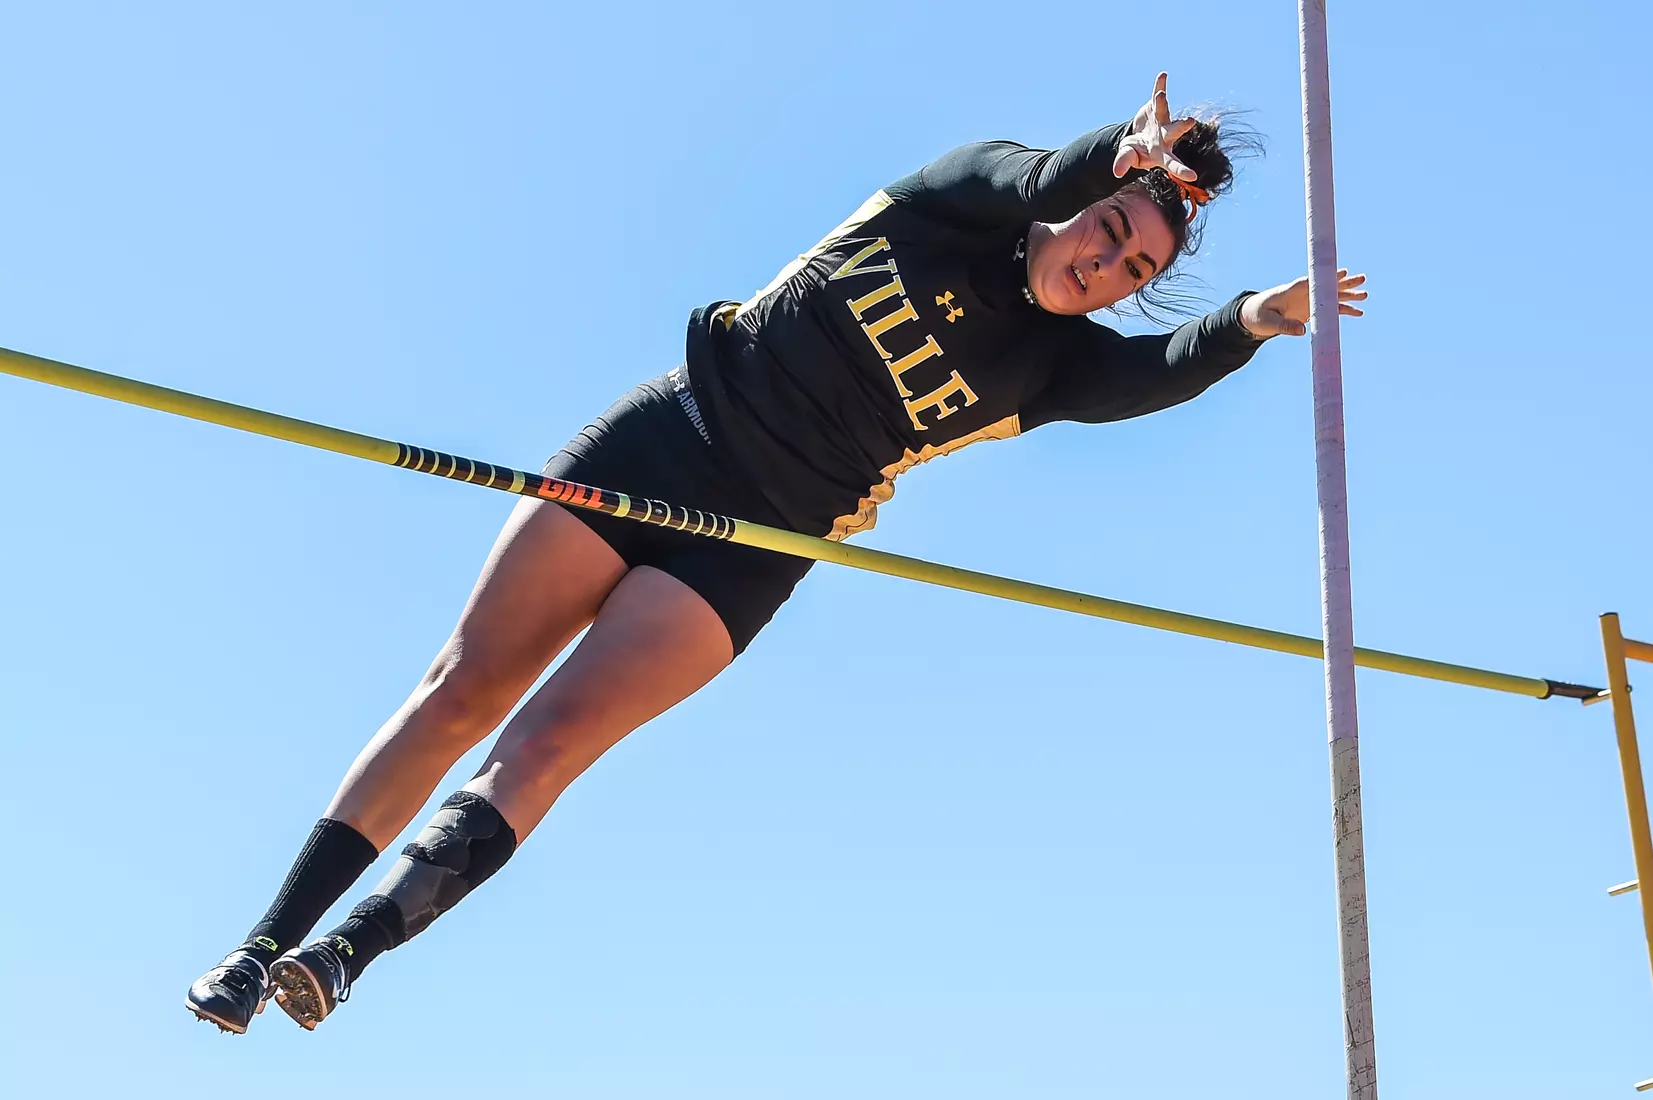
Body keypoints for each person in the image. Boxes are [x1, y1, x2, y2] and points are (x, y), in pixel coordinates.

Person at [185, 72, 1367, 1033]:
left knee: (543, 742)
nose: (1104, 268)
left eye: (1135, 272)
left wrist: (1257, 317)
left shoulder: (1057, 370)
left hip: (751, 547)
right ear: (1076, 204)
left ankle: (349, 951)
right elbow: (1020, 172)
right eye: (1108, 231)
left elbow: (1166, 369)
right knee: (464, 688)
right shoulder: (950, 204)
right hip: (665, 441)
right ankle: (259, 942)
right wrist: (1119, 148)